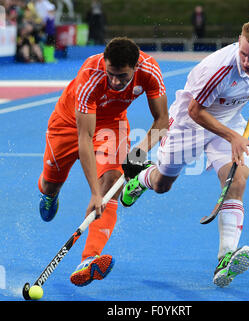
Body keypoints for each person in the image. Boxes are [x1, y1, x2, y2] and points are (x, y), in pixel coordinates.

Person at [121, 19, 249, 287]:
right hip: (189, 125)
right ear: (238, 42)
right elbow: (196, 111)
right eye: (242, 53)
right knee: (163, 184)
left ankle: (225, 258)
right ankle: (142, 179)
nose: (246, 61)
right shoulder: (218, 69)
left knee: (236, 181)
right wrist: (232, 137)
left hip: (229, 121)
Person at [38, 37, 169, 286]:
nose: (116, 82)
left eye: (123, 76)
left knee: (111, 187)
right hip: (68, 124)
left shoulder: (150, 70)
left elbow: (162, 121)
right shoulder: (91, 73)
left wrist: (138, 153)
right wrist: (93, 193)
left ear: (136, 66)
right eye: (111, 74)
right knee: (50, 185)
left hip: (112, 124)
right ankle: (49, 194)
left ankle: (88, 259)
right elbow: (84, 138)